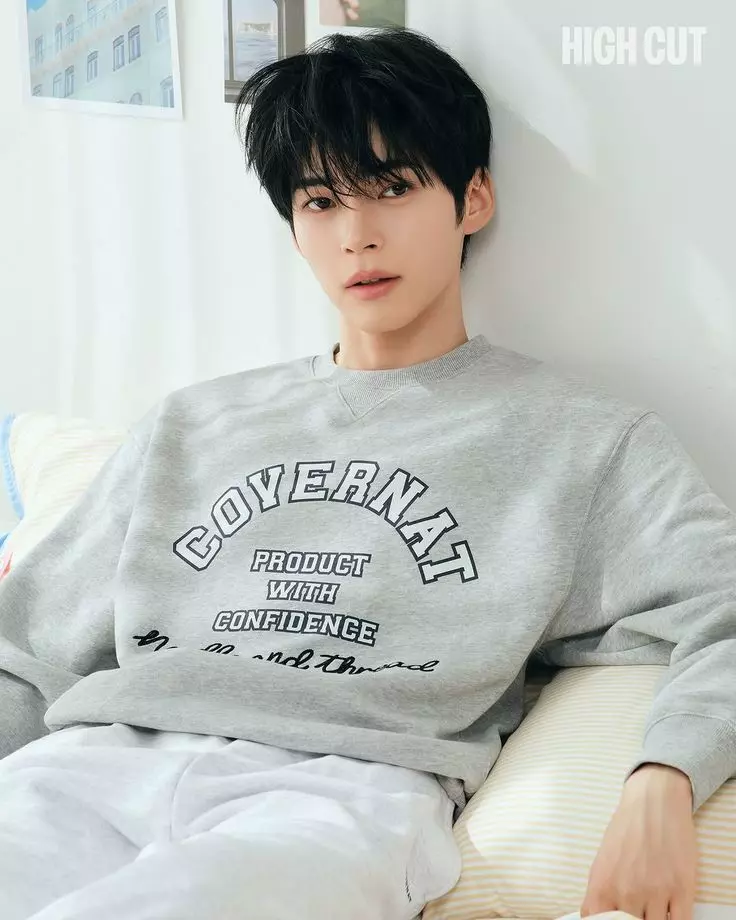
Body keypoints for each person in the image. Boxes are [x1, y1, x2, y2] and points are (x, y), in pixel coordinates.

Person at [0, 24, 734, 920]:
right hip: (99, 760)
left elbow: (722, 610)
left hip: (346, 792)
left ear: (472, 198)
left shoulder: (584, 442)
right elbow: (25, 649)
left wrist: (664, 778)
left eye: (392, 188)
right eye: (320, 201)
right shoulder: (191, 424)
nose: (357, 236)